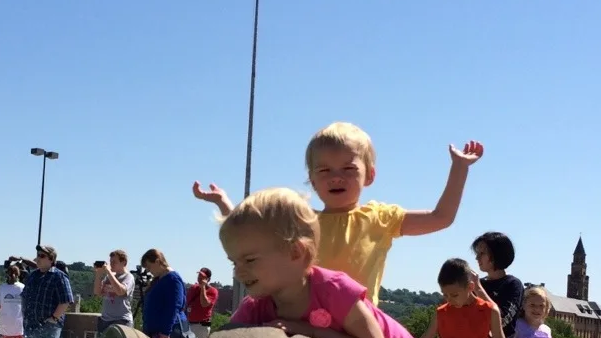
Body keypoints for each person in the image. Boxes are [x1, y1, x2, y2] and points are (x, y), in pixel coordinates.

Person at [111, 189, 438, 338]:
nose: (239, 272)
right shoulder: (258, 308)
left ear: (296, 252)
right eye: (234, 262)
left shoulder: (334, 290)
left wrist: (307, 330)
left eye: (249, 260)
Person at [192, 123, 484, 305]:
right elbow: (253, 235)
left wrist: (459, 168)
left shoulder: (380, 217)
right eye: (325, 170)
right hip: (306, 319)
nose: (336, 178)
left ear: (369, 175)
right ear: (312, 179)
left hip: (357, 323)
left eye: (348, 169)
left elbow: (440, 217)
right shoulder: (305, 221)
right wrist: (223, 202)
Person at [21, 244, 73, 338]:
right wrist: (24, 314)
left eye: (42, 256)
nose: (38, 258)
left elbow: (65, 300)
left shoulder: (59, 276)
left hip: (48, 326)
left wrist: (54, 318)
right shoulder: (33, 275)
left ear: (51, 259)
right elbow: (24, 296)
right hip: (30, 324)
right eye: (38, 255)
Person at [140, 249, 192, 338]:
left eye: (149, 266)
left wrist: (165, 331)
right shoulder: (160, 279)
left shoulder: (172, 279)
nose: (149, 270)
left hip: (168, 332)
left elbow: (174, 306)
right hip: (155, 330)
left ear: (157, 261)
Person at [94, 249, 135, 333]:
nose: (111, 264)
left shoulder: (128, 277)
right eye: (110, 262)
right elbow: (97, 292)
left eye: (114, 262)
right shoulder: (109, 277)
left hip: (122, 320)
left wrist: (108, 272)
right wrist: (98, 274)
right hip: (105, 320)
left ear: (123, 262)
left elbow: (121, 291)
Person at [185, 268, 219, 338]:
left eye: (202, 277)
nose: (200, 278)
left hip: (201, 326)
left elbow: (204, 304)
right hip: (189, 324)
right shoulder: (193, 288)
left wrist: (203, 287)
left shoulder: (212, 291)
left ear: (208, 279)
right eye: (199, 276)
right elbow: (185, 303)